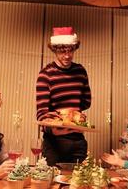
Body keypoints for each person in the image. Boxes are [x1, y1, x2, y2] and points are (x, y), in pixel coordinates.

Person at [36, 26, 91, 166]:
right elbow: (41, 114)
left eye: (70, 50)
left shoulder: (80, 71)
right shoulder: (46, 74)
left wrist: (75, 117)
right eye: (62, 52)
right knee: (52, 183)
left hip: (77, 140)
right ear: (54, 50)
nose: (67, 56)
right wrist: (57, 126)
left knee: (78, 183)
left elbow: (86, 102)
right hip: (54, 142)